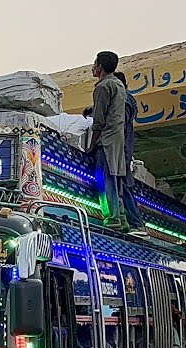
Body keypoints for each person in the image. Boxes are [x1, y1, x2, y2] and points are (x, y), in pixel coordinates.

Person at [88, 51, 130, 231]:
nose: (93, 66)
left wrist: (92, 144)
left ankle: (111, 219)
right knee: (117, 177)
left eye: (96, 63)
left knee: (104, 180)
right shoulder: (119, 84)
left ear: (101, 67)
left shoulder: (102, 87)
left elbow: (99, 120)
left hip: (105, 141)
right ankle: (121, 218)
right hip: (118, 139)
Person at [112, 71, 146, 233]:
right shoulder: (127, 99)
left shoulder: (123, 100)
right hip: (123, 149)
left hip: (120, 149)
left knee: (123, 186)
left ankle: (136, 223)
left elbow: (120, 125)